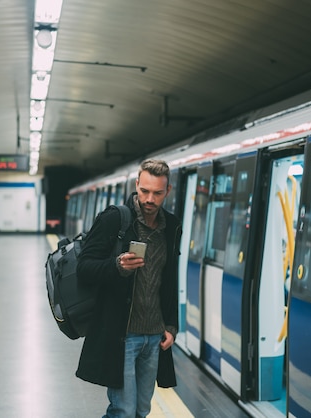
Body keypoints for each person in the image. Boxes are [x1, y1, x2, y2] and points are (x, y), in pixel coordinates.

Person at [76, 159, 182, 418]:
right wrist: (117, 267)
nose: (150, 199)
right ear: (136, 185)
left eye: (157, 193)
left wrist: (171, 325)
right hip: (122, 333)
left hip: (153, 336)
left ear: (167, 191)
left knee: (141, 410)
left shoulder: (171, 226)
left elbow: (169, 280)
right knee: (122, 410)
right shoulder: (115, 219)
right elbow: (84, 267)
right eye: (144, 191)